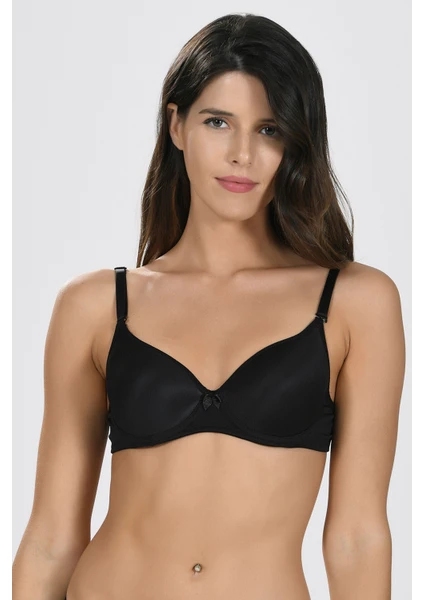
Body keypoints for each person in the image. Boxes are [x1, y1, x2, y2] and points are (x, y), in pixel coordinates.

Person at [13, 13, 405, 600]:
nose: (242, 154)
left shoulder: (354, 303)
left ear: (296, 142)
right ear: (177, 125)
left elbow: (357, 538)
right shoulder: (96, 307)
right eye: (218, 122)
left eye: (269, 130)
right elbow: (51, 539)